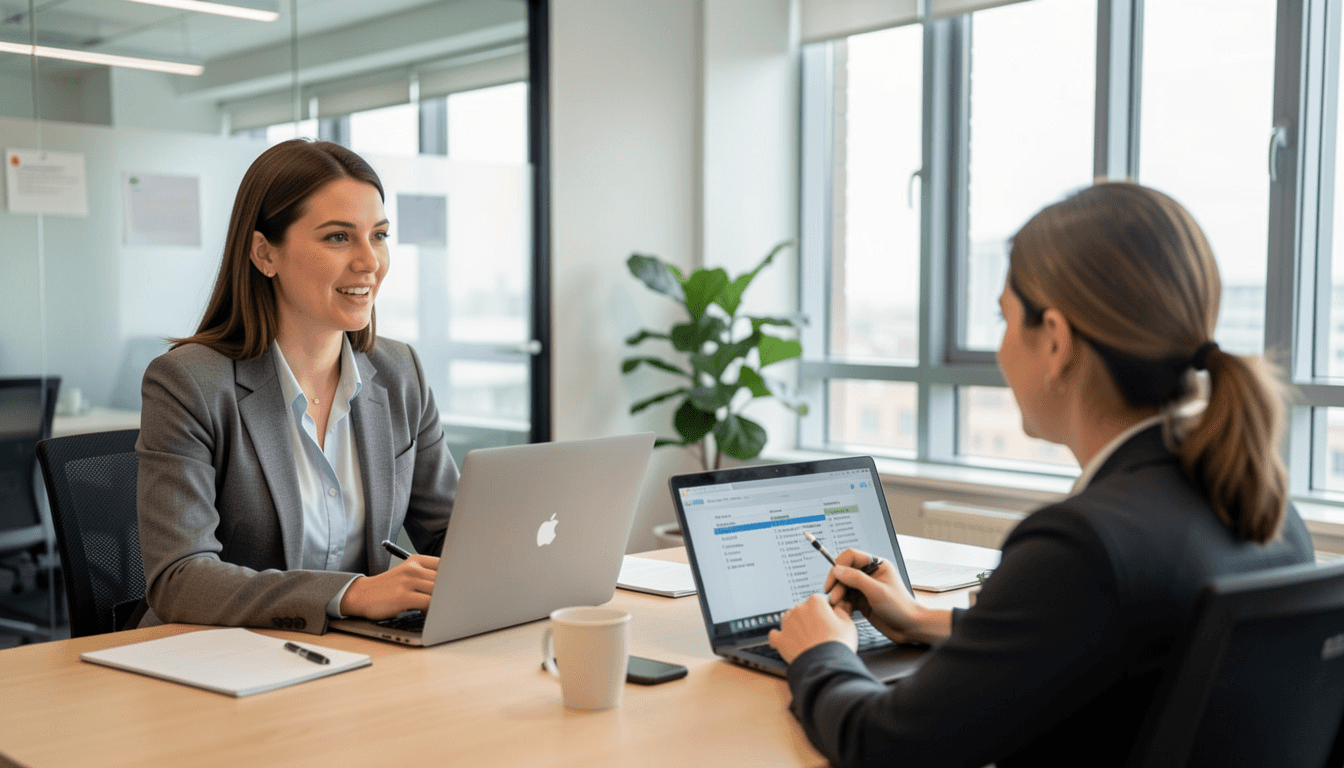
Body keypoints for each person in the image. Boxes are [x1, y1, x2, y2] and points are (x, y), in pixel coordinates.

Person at [768, 182, 1315, 767]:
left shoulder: (1083, 547)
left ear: (1055, 340)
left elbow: (884, 746)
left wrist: (821, 653)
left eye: (1003, 318)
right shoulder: (1265, 511)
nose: (1000, 350)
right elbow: (1111, 645)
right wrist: (923, 619)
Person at [135, 139, 458, 634]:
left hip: (359, 654)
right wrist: (350, 595)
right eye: (338, 237)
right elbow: (180, 578)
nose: (369, 261)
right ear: (265, 253)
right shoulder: (189, 383)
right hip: (219, 657)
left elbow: (451, 531)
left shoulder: (400, 373)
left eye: (379, 235)